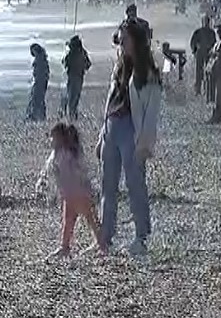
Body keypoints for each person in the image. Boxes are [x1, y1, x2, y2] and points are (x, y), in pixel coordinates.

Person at [97, 22, 163, 257]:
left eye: (125, 38)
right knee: (108, 186)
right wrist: (101, 136)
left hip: (131, 131)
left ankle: (141, 237)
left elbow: (151, 114)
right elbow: (109, 103)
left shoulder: (148, 74)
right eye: (120, 38)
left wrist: (145, 143)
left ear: (136, 40)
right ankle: (105, 237)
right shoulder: (119, 67)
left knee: (136, 186)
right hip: (112, 128)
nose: (121, 42)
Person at [43, 123, 103, 258]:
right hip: (71, 193)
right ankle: (65, 246)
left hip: (78, 192)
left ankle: (101, 244)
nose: (50, 141)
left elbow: (79, 171)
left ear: (60, 138)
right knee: (73, 220)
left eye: (52, 138)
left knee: (90, 218)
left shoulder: (66, 154)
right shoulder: (60, 153)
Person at [61, 35, 91, 119]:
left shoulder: (71, 53)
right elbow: (88, 64)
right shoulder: (83, 52)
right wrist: (83, 69)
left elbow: (64, 63)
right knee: (75, 98)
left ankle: (70, 116)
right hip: (79, 78)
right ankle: (73, 116)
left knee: (70, 97)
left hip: (71, 78)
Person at [190, 14, 217, 95]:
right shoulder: (198, 32)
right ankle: (198, 89)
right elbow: (193, 42)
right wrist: (194, 51)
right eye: (204, 21)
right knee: (199, 72)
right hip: (200, 53)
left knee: (208, 72)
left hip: (208, 54)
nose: (206, 23)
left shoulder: (212, 32)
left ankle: (206, 89)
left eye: (207, 21)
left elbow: (214, 43)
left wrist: (212, 52)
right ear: (202, 22)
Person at [26, 43, 49, 121]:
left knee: (37, 98)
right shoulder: (42, 58)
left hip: (40, 82)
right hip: (41, 81)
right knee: (38, 98)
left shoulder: (40, 59)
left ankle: (36, 116)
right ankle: (39, 115)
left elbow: (40, 72)